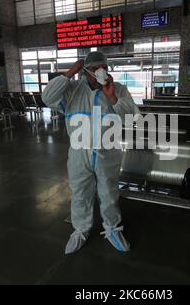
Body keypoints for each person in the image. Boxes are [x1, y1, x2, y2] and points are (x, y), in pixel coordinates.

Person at [42, 51, 140, 254]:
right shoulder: (72, 90)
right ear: (85, 71)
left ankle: (113, 229)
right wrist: (69, 73)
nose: (99, 72)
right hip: (79, 153)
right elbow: (47, 97)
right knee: (80, 193)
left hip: (108, 152)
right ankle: (80, 229)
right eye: (94, 69)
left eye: (102, 68)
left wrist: (112, 98)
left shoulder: (118, 90)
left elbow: (133, 118)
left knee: (109, 193)